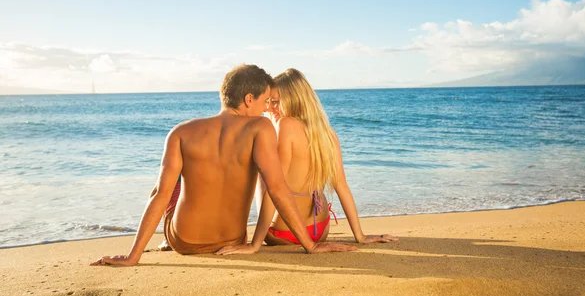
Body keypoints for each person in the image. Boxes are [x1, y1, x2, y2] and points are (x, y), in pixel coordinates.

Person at [91, 64, 355, 266]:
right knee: (266, 171)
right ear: (249, 99)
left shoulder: (180, 132)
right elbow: (277, 188)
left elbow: (160, 197)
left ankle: (161, 243)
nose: (266, 110)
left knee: (167, 186)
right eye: (265, 102)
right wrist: (309, 245)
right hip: (231, 241)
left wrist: (132, 257)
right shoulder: (260, 127)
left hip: (184, 241)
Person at [216, 68, 396, 256]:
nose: (270, 108)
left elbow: (274, 189)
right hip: (320, 229)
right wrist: (360, 235)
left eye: (275, 102)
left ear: (293, 100)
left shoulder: (285, 125)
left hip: (283, 233)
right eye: (268, 102)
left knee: (266, 172)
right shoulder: (328, 134)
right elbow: (341, 186)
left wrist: (255, 244)